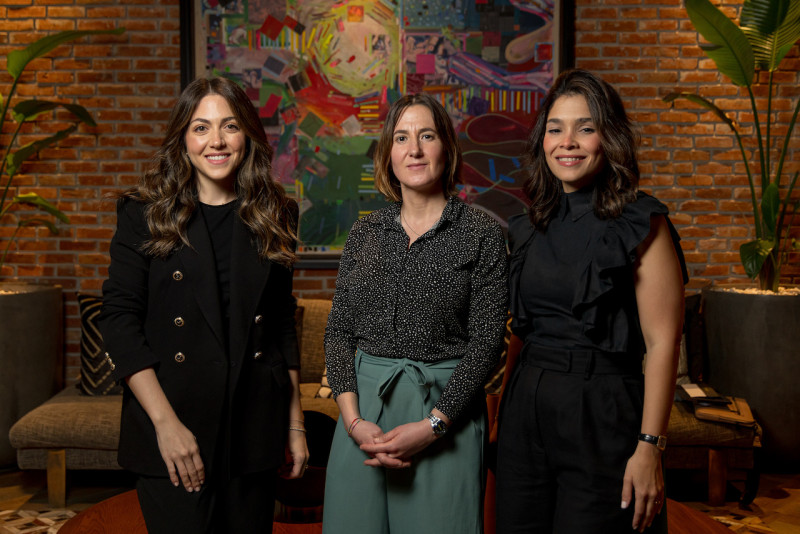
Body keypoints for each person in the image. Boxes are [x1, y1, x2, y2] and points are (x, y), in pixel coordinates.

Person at [99, 77, 308, 534]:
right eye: (201, 128)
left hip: (252, 430)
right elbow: (118, 322)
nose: (216, 141)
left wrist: (293, 426)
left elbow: (279, 326)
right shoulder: (145, 212)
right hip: (174, 426)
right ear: (183, 139)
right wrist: (166, 426)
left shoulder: (275, 212)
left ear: (247, 135)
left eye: (229, 126)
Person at [495, 69, 688, 533]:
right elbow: (520, 331)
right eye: (556, 129)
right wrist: (502, 416)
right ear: (542, 140)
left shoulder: (642, 222)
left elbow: (663, 343)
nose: (568, 142)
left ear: (610, 137)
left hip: (602, 412)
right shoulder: (526, 228)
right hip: (527, 411)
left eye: (586, 128)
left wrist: (649, 447)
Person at [322, 93, 509, 533]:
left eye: (427, 136)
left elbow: (486, 345)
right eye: (402, 138)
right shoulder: (365, 232)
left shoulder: (480, 232)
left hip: (445, 413)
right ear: (389, 154)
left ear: (447, 147)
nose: (415, 150)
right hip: (362, 415)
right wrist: (353, 422)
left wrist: (433, 425)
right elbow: (338, 334)